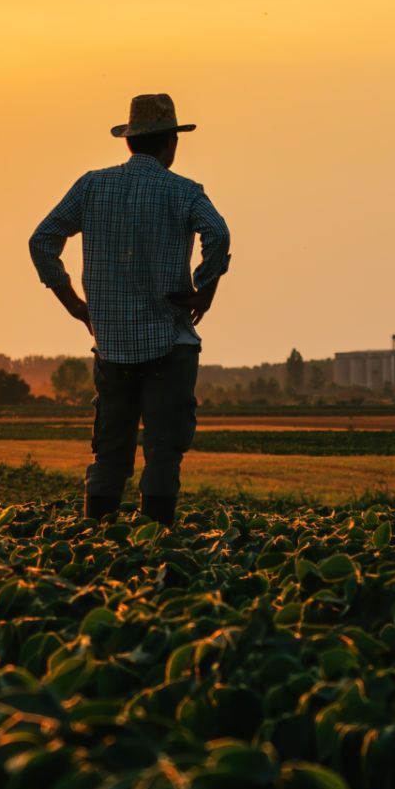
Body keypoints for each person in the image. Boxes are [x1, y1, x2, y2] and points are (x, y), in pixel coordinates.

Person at [28, 93, 231, 526]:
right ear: (169, 145)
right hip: (168, 342)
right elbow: (218, 234)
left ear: (130, 142)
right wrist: (204, 289)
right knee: (162, 450)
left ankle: (97, 541)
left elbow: (42, 241)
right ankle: (155, 543)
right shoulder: (184, 192)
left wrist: (72, 303)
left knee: (110, 451)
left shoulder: (91, 186)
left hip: (111, 345)